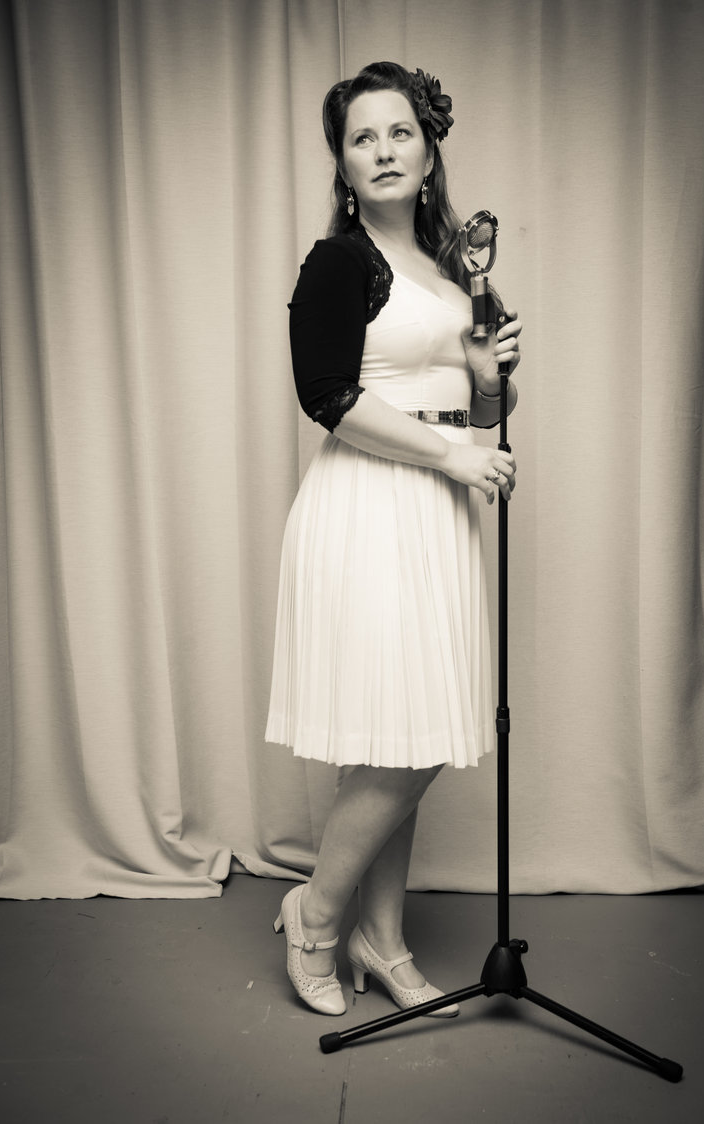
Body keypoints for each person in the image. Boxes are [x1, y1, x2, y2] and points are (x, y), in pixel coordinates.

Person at [265, 61, 522, 1018]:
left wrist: (488, 375)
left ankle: (384, 940)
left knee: (403, 732)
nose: (382, 150)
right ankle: (318, 919)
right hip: (371, 506)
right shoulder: (338, 262)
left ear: (427, 149)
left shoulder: (451, 265)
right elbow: (327, 397)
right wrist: (453, 460)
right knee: (399, 743)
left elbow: (476, 403)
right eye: (361, 136)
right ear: (342, 161)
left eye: (398, 132)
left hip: (436, 510)